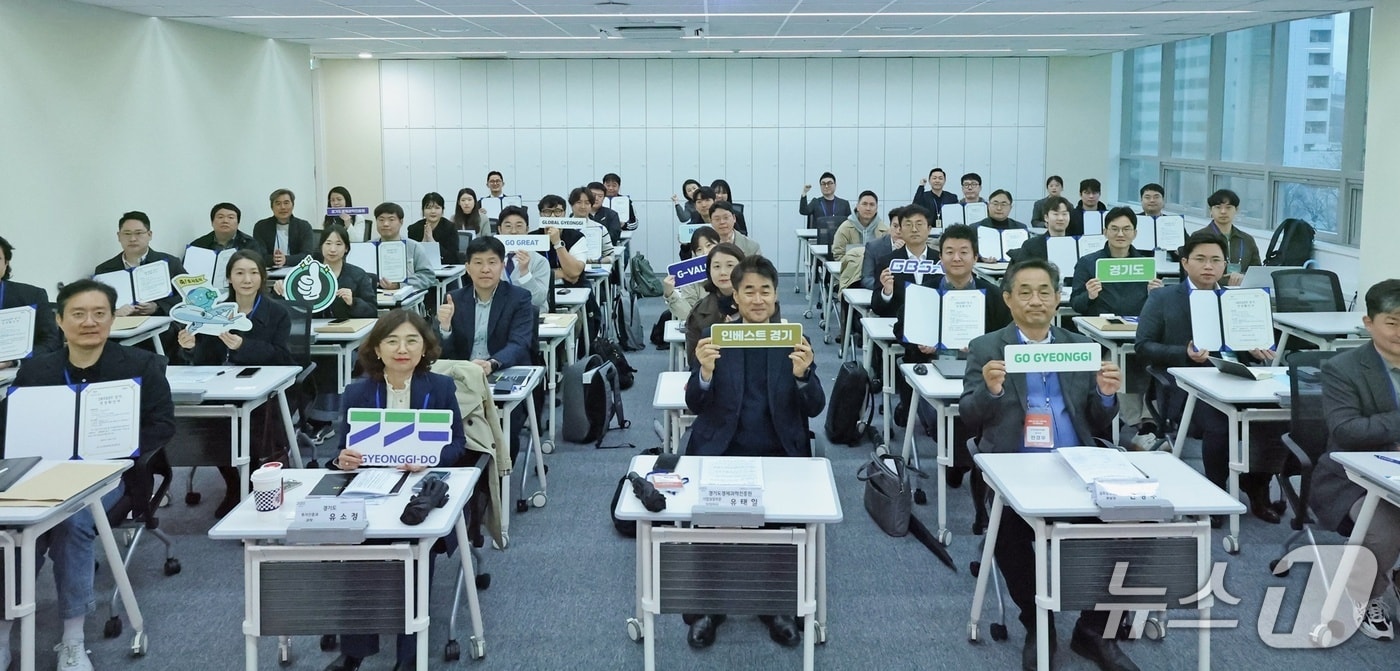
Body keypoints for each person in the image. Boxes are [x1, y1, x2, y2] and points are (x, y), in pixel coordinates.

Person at [960, 258, 1127, 671]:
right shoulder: (987, 347)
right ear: (1008, 299)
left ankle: (1093, 630)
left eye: (1045, 292)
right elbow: (968, 414)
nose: (1036, 301)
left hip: (1078, 462)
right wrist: (993, 392)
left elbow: (1097, 418)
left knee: (1128, 525)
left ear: (1057, 298)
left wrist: (1106, 396)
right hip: (1015, 464)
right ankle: (1039, 623)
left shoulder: (1079, 346)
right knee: (1009, 534)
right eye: (1025, 292)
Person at [0, 279, 175, 671]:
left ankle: (73, 638)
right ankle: (3, 630)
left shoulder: (140, 365)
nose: (89, 322)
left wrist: (118, 449)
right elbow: (11, 431)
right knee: (10, 530)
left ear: (112, 319)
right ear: (60, 321)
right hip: (44, 473)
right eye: (78, 314)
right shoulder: (36, 371)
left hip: (111, 477)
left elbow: (162, 426)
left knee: (73, 522)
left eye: (99, 314)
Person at [683, 254, 823, 651]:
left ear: (776, 296)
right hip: (722, 449)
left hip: (779, 449)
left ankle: (775, 605)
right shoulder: (717, 338)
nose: (758, 299)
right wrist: (705, 374)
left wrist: (803, 376)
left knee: (781, 531)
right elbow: (694, 403)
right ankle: (710, 606)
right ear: (736, 296)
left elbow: (815, 407)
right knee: (710, 525)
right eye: (749, 291)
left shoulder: (794, 340)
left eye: (765, 291)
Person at [323, 309, 467, 671]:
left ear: (424, 349)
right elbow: (340, 452)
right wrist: (345, 460)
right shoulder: (357, 391)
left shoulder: (440, 387)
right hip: (371, 488)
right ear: (376, 349)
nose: (402, 349)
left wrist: (431, 458)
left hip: (421, 490)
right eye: (392, 341)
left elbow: (458, 446)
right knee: (356, 549)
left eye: (411, 341)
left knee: (415, 551)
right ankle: (354, 650)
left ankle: (408, 656)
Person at [874, 217, 1012, 532]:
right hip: (934, 372)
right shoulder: (924, 292)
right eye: (949, 252)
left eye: (964, 252)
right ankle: (961, 462)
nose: (957, 258)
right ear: (941, 257)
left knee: (979, 422)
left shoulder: (993, 296)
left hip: (978, 373)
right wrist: (918, 340)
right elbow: (899, 330)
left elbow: (1006, 338)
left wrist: (980, 347)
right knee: (959, 423)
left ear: (975, 257)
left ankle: (978, 499)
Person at [1135, 230, 1282, 523]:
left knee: (1272, 417)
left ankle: (1257, 488)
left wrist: (1256, 351)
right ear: (1185, 262)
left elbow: (1255, 346)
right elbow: (1143, 347)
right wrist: (1183, 353)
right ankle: (1214, 492)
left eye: (1216, 260)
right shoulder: (1163, 298)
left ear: (1225, 265)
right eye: (1200, 259)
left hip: (1236, 378)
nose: (1208, 266)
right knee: (1220, 420)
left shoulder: (1239, 300)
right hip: (1184, 384)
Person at [1311, 279, 1400, 641]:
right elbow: (1347, 431)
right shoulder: (1343, 368)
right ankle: (1367, 594)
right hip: (1353, 479)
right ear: (1369, 323)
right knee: (1384, 530)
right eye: (1393, 322)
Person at [179, 249, 295, 517]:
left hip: (266, 390)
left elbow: (283, 358)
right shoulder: (211, 312)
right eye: (240, 273)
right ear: (229, 278)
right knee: (211, 422)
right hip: (219, 387)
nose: (247, 279)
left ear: (262, 277)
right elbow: (202, 361)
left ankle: (257, 481)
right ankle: (233, 485)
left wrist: (245, 346)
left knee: (254, 421)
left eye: (254, 272)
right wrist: (190, 347)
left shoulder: (277, 313)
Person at [1070, 207, 1164, 450]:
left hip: (1138, 333)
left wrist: (1157, 295)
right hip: (1102, 336)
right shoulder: (1089, 263)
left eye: (1126, 229)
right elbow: (1076, 305)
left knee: (1152, 358)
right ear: (1105, 232)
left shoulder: (1145, 263)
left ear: (1134, 233)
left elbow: (1157, 309)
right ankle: (1135, 424)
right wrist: (1089, 295)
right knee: (1117, 361)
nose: (1120, 234)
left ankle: (1148, 424)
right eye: (1114, 229)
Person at [435, 236, 535, 458]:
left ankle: (498, 481)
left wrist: (492, 364)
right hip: (464, 376)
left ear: (502, 266)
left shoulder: (519, 298)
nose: (485, 269)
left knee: (505, 435)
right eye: (478, 262)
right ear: (467, 268)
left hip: (503, 372)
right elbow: (444, 354)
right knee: (447, 428)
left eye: (492, 262)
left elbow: (519, 344)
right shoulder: (454, 299)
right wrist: (444, 327)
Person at [93, 210, 189, 318]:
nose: (132, 239)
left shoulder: (169, 263)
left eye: (138, 233)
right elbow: (96, 307)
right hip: (121, 330)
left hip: (161, 329)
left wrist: (157, 306)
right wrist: (114, 313)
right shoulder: (104, 270)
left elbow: (188, 295)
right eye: (127, 234)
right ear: (119, 236)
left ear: (149, 235)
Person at [273, 225, 377, 320]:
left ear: (346, 248)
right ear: (321, 246)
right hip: (311, 332)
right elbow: (284, 311)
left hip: (346, 334)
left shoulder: (358, 275)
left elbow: (372, 312)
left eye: (338, 244)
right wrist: (280, 291)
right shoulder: (304, 272)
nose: (332, 249)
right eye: (328, 243)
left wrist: (353, 302)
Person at [0, 235, 62, 366]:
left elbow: (51, 341)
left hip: (17, 373)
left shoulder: (32, 295)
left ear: (6, 263)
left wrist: (13, 361)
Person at [683, 243, 746, 369]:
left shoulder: (761, 304)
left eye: (730, 265)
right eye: (716, 266)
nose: (723, 272)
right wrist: (720, 339)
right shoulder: (699, 312)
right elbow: (693, 362)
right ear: (709, 271)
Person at [496, 205, 551, 312]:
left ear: (527, 230)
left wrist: (525, 273)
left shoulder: (540, 261)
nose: (513, 231)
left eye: (519, 226)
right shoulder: (492, 260)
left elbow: (538, 300)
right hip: (500, 316)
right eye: (508, 226)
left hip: (532, 317)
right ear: (499, 229)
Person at [373, 202, 438, 292]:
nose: (386, 224)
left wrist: (399, 285)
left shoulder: (414, 247)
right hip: (372, 299)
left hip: (405, 300)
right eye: (381, 220)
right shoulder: (368, 248)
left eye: (391, 219)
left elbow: (427, 276)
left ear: (401, 222)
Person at [1204, 188, 1261, 286]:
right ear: (1211, 210)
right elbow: (1195, 270)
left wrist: (1242, 277)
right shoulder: (1200, 237)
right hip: (1209, 290)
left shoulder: (1247, 239)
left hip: (1241, 291)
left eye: (1228, 207)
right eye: (1218, 207)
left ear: (1236, 210)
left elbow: (1256, 272)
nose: (1223, 212)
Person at [664, 226, 720, 322]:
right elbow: (688, 314)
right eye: (699, 250)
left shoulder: (734, 267)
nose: (705, 252)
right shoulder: (690, 275)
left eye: (709, 245)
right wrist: (670, 294)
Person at [252, 188, 315, 269]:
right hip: (269, 273)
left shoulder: (303, 226)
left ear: (293, 205)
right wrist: (274, 259)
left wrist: (286, 259)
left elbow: (307, 255)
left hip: (297, 271)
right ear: (272, 207)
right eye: (278, 203)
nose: (283, 207)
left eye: (286, 203)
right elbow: (258, 255)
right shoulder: (261, 227)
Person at [537, 194, 586, 286]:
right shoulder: (532, 237)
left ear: (564, 214)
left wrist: (557, 242)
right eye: (547, 212)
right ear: (540, 214)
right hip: (541, 289)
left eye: (558, 211)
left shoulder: (577, 237)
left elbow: (574, 272)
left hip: (574, 289)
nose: (552, 217)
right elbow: (528, 273)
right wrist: (561, 273)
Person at [1009, 196, 1072, 265]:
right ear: (1046, 217)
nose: (1061, 218)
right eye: (1056, 214)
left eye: (1064, 214)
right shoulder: (1031, 246)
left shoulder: (1075, 244)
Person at [972, 190, 1030, 262]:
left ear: (1010, 207)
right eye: (995, 204)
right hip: (984, 268)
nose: (999, 208)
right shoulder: (974, 228)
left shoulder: (1021, 229)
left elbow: (1028, 254)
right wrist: (981, 258)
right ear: (988, 205)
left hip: (1013, 268)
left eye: (1004, 204)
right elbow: (969, 254)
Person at [189, 202, 266, 255]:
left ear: (238, 223)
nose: (225, 221)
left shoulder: (250, 244)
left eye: (230, 217)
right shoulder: (198, 245)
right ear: (212, 222)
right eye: (220, 217)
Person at [565, 186, 617, 265]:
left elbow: (610, 255)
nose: (583, 206)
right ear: (571, 204)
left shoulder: (600, 229)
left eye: (587, 203)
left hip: (594, 270)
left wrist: (597, 261)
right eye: (579, 202)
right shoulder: (563, 227)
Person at [407, 192, 459, 266]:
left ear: (442, 210)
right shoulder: (413, 229)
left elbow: (453, 258)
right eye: (429, 208)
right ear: (423, 210)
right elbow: (411, 257)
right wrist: (424, 241)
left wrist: (432, 241)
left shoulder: (450, 228)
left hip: (445, 272)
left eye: (437, 208)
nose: (433, 211)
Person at [860, 207, 904, 292]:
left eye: (902, 227)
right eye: (895, 226)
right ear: (889, 226)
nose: (898, 231)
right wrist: (886, 287)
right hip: (882, 293)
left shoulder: (915, 246)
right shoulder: (873, 247)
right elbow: (866, 279)